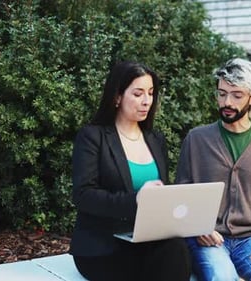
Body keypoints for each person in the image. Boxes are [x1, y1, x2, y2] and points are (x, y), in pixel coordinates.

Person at [69, 61, 191, 281]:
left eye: (151, 93)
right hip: (103, 245)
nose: (146, 101)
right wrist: (136, 200)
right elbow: (83, 195)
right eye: (138, 93)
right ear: (117, 97)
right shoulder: (92, 137)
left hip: (145, 238)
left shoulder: (155, 140)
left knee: (177, 249)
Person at [175, 58, 251, 281]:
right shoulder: (196, 139)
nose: (227, 102)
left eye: (236, 95)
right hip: (208, 238)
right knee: (222, 277)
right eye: (222, 93)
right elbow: (182, 194)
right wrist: (199, 226)